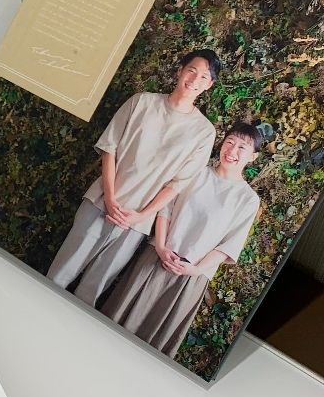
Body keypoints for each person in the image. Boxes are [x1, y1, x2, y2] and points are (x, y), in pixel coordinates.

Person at [46, 48, 220, 305]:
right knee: (58, 275)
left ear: (209, 85)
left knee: (90, 293)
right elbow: (109, 148)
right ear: (180, 71)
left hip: (136, 223)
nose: (195, 80)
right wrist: (110, 197)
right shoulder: (142, 102)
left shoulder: (204, 132)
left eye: (204, 77)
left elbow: (177, 185)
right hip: (101, 203)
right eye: (191, 71)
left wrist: (141, 215)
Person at [102, 121, 264, 357]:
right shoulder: (197, 172)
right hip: (157, 257)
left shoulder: (247, 199)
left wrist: (196, 269)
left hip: (190, 277)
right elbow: (166, 208)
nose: (232, 151)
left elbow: (230, 244)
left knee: (153, 341)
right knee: (118, 319)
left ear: (253, 157)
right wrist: (160, 246)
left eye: (242, 147)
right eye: (230, 142)